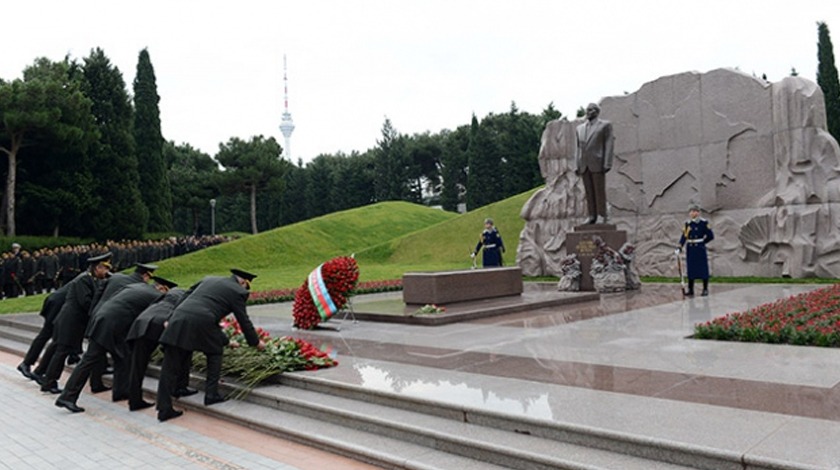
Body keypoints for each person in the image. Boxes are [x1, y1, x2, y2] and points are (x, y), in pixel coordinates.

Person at [155, 268, 266, 422]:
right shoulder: (238, 292)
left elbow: (186, 295)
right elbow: (243, 320)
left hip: (179, 318)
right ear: (243, 282)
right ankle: (211, 394)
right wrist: (255, 342)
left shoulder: (208, 279)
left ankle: (164, 407)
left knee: (169, 366)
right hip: (203, 322)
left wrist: (171, 316)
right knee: (214, 352)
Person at [55, 276, 176, 413]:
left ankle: (121, 393)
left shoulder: (137, 287)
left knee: (123, 357)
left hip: (103, 320)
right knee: (89, 361)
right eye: (166, 292)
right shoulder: (155, 296)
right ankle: (67, 396)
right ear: (162, 288)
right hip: (111, 326)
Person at [37, 252, 112, 394]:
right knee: (61, 352)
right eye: (105, 269)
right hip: (69, 322)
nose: (107, 272)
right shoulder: (83, 280)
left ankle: (49, 381)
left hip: (74, 323)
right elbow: (85, 302)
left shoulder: (91, 279)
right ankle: (49, 382)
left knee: (61, 352)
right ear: (97, 268)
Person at [125, 286, 191, 411]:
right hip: (162, 322)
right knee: (171, 364)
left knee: (137, 366)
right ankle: (167, 403)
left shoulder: (169, 293)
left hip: (142, 321)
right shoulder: (188, 296)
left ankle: (134, 400)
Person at [575, 102, 615, 224]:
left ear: (597, 112)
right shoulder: (579, 128)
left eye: (591, 110)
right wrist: (577, 164)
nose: (588, 112)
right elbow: (578, 148)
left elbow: (609, 144)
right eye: (587, 110)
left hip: (598, 162)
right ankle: (591, 215)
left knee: (599, 191)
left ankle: (601, 215)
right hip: (584, 164)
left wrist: (607, 163)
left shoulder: (605, 125)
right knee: (588, 192)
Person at [679, 204, 714, 296]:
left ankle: (705, 289)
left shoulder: (703, 223)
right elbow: (684, 236)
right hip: (690, 248)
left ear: (698, 212)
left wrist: (702, 242)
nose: (692, 213)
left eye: (694, 211)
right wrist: (680, 246)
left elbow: (710, 236)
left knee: (703, 269)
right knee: (691, 269)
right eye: (691, 211)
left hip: (699, 248)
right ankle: (691, 289)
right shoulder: (688, 224)